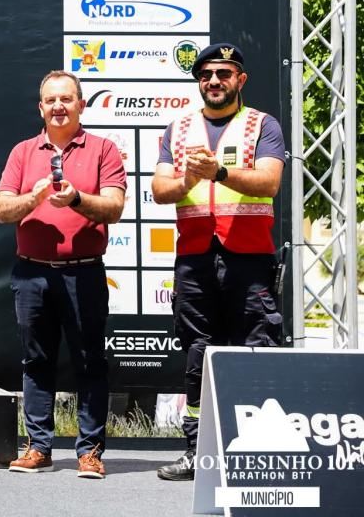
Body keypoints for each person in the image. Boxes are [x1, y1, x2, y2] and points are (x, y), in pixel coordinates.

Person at [151, 43, 285, 481]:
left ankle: (257, 452)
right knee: (198, 354)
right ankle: (197, 451)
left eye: (223, 73)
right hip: (195, 258)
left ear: (240, 79)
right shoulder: (179, 128)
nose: (214, 81)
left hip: (249, 256)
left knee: (254, 351)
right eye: (206, 74)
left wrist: (220, 173)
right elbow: (159, 190)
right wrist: (188, 179)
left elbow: (269, 182)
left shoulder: (262, 124)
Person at [0, 71, 126, 479]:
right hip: (31, 275)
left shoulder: (103, 149)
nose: (58, 107)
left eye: (66, 99)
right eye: (50, 100)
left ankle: (90, 452)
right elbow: (1, 209)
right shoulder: (23, 151)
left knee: (90, 362)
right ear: (40, 107)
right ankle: (39, 447)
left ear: (81, 105)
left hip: (83, 274)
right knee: (36, 361)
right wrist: (31, 199)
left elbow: (114, 208)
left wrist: (77, 199)